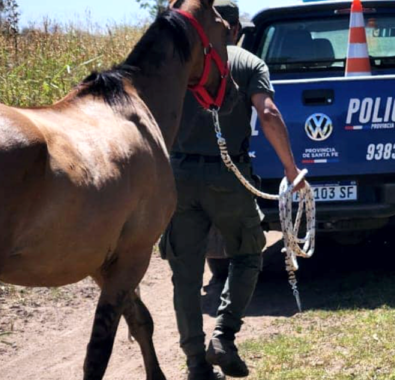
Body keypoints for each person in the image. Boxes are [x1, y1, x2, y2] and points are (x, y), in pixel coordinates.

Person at [159, 1, 303, 378]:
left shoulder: (175, 63)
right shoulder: (247, 63)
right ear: (232, 29)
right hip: (229, 176)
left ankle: (195, 364)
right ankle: (223, 336)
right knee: (249, 253)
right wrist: (291, 169)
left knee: (185, 274)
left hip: (179, 177)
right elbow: (269, 114)